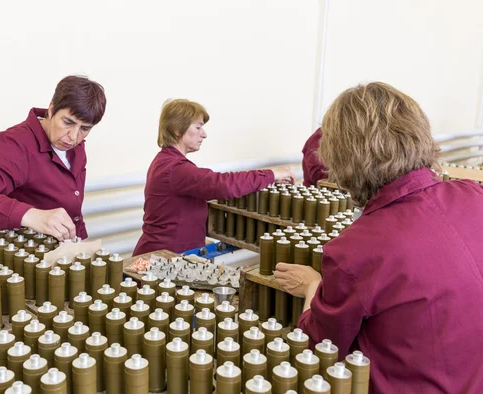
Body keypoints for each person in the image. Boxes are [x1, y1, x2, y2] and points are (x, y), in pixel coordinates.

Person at [274, 82, 483, 392]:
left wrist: (313, 288)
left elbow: (320, 348)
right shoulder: (474, 195)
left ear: (341, 159)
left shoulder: (356, 250)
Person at [0, 75, 107, 241]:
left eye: (84, 128)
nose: (73, 136)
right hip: (25, 256)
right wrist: (31, 215)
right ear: (51, 109)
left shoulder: (74, 144)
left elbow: (73, 208)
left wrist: (80, 244)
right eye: (68, 122)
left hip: (65, 252)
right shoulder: (17, 144)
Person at [134, 99, 295, 255]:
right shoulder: (175, 169)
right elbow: (224, 185)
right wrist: (271, 174)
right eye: (198, 127)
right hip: (163, 259)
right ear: (177, 130)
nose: (204, 134)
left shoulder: (165, 161)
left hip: (168, 255)